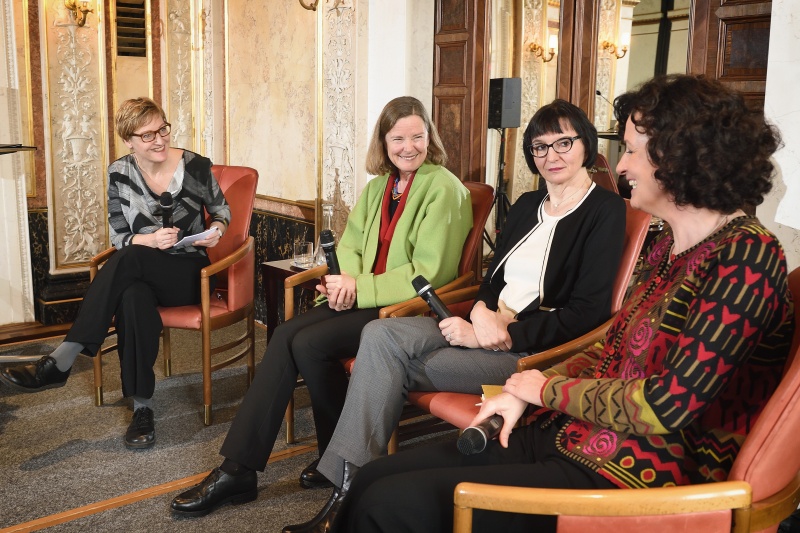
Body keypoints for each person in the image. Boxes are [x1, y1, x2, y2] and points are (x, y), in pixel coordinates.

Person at [329, 74, 795, 533]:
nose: (622, 166)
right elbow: (609, 347)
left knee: (386, 503)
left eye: (632, 150)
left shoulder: (746, 256)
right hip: (577, 431)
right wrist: (524, 389)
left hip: (637, 474)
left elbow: (665, 406)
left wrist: (541, 389)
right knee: (372, 479)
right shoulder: (670, 247)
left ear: (682, 156)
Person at [282, 99, 627, 533]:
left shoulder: (605, 210)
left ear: (586, 145)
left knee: (386, 362)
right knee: (381, 334)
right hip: (486, 328)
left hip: (534, 351)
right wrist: (479, 314)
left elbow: (587, 313)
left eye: (563, 143)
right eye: (540, 147)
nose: (551, 155)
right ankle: (351, 487)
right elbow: (491, 277)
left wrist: (504, 334)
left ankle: (345, 494)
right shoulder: (526, 205)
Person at [169, 96, 473, 517]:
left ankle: (316, 459)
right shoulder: (379, 187)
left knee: (309, 343)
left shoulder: (445, 188)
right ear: (384, 143)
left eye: (417, 137)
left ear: (429, 138)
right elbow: (349, 246)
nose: (409, 147)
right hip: (364, 297)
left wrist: (358, 288)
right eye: (398, 138)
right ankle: (242, 468)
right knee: (287, 336)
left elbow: (430, 272)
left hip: (405, 311)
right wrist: (339, 284)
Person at [0, 97, 230, 449]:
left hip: (188, 273)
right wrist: (150, 239)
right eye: (147, 135)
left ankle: (63, 357)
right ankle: (142, 408)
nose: (159, 140)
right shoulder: (119, 173)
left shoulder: (195, 166)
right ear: (129, 140)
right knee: (132, 295)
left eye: (162, 129)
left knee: (130, 259)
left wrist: (216, 231)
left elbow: (221, 211)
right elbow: (120, 235)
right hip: (140, 271)